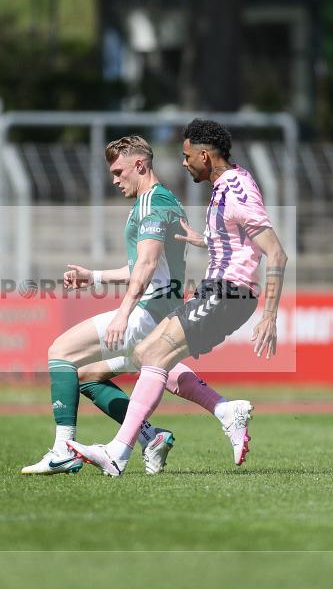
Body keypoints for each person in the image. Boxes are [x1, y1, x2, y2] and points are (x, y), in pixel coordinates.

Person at [20, 135, 253, 476]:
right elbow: (143, 265)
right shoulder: (165, 199)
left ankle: (62, 450)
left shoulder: (151, 202)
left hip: (149, 310)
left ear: (140, 165)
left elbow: (146, 265)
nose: (115, 180)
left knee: (62, 352)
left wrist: (123, 314)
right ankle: (163, 431)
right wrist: (94, 276)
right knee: (94, 375)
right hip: (163, 309)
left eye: (119, 172)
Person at [67, 119, 289, 477]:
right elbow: (239, 238)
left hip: (228, 293)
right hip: (218, 291)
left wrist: (270, 316)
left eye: (187, 156)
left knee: (153, 354)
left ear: (205, 155)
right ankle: (224, 411)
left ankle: (118, 452)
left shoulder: (235, 190)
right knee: (146, 353)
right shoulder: (228, 183)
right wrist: (206, 239)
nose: (183, 163)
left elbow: (276, 253)